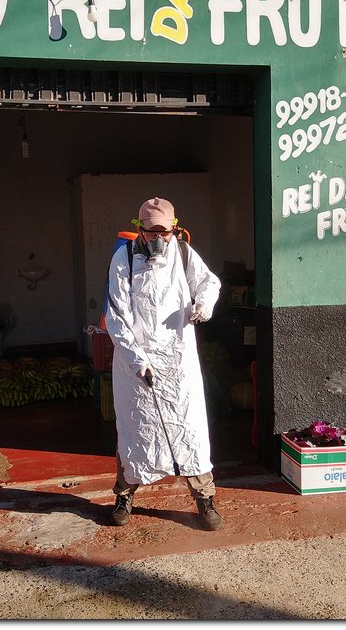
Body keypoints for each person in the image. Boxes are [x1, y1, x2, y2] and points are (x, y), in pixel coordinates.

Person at [104, 196, 223, 530]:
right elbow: (117, 316)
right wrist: (136, 360)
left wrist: (204, 304)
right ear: (140, 229)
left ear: (174, 229)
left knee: (190, 428)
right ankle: (124, 495)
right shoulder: (123, 259)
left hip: (178, 363)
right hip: (136, 367)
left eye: (164, 232)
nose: (158, 239)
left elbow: (209, 282)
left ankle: (205, 499)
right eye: (151, 231)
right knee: (134, 430)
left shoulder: (184, 254)